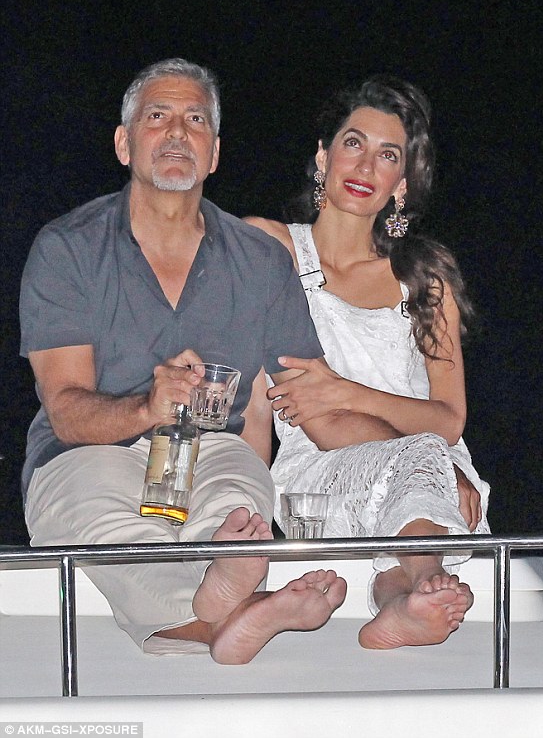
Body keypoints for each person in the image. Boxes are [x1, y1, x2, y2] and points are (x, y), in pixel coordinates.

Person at [19, 58, 349, 664]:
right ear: (124, 144)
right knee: (115, 528)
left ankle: (227, 588)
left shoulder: (260, 260)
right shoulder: (67, 248)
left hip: (211, 449)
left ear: (214, 153)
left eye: (195, 120)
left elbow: (317, 400)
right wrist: (147, 406)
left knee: (237, 503)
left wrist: (423, 451)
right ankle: (236, 609)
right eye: (157, 116)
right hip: (88, 453)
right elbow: (65, 411)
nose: (176, 131)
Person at [246, 75, 490, 649]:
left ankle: (402, 601)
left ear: (401, 184)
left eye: (388, 155)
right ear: (323, 157)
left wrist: (347, 391)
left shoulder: (424, 279)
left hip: (434, 475)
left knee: (418, 474)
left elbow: (449, 418)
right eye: (353, 143)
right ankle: (428, 581)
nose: (365, 166)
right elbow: (294, 412)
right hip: (320, 477)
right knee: (419, 462)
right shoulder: (272, 248)